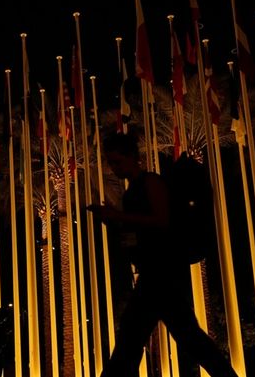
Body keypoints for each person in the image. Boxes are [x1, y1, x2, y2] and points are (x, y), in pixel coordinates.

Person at [87, 132, 238, 377]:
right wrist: (115, 223)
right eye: (111, 162)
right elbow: (140, 229)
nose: (114, 168)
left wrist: (119, 217)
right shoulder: (132, 191)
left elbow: (162, 220)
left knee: (134, 334)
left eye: (118, 161)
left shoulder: (151, 182)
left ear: (133, 157)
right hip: (153, 270)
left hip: (163, 271)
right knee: (181, 336)